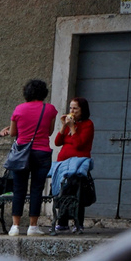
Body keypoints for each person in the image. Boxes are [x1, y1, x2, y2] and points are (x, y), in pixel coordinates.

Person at [0, 78, 56, 236]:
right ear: (44, 93)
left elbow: (13, 133)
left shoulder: (19, 109)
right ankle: (33, 226)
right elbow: (49, 132)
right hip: (42, 152)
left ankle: (15, 226)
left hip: (21, 152)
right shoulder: (50, 109)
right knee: (37, 189)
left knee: (19, 189)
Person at [50, 97, 95, 233]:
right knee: (62, 191)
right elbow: (57, 142)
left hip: (78, 163)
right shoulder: (70, 125)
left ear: (82, 110)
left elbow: (79, 144)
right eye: (71, 108)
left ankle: (77, 222)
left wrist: (72, 128)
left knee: (76, 191)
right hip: (63, 163)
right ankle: (62, 222)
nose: (72, 111)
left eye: (75, 108)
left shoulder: (88, 124)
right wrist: (64, 126)